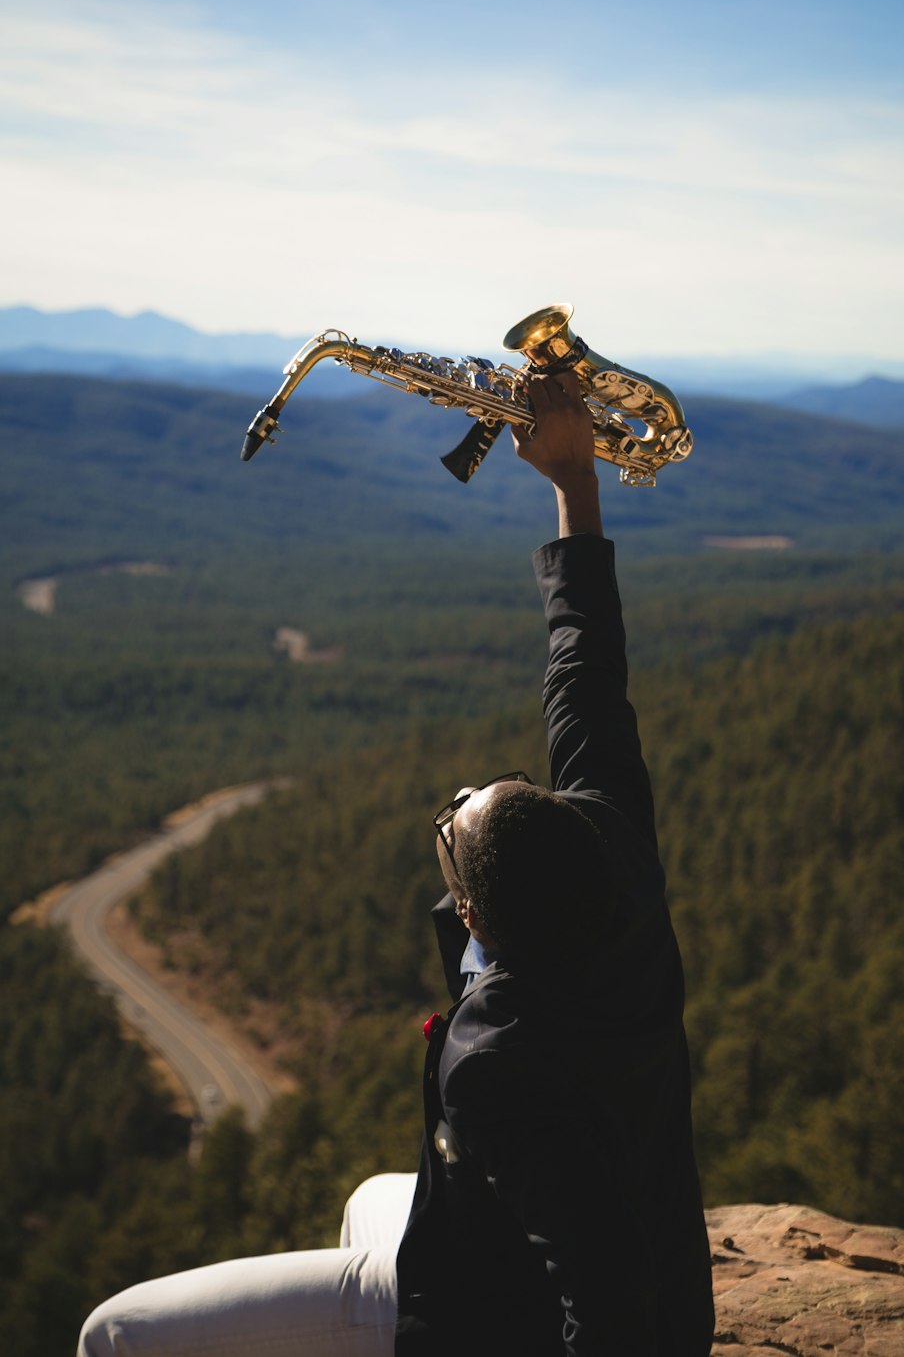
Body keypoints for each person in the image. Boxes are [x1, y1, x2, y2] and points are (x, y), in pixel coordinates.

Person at [78, 371, 714, 1356]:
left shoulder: (497, 1060)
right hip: (636, 1270)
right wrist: (572, 480)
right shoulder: (612, 848)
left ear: (474, 923)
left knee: (116, 1331)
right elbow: (584, 653)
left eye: (452, 833)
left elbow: (604, 1294)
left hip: (492, 1313)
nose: (456, 802)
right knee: (371, 1193)